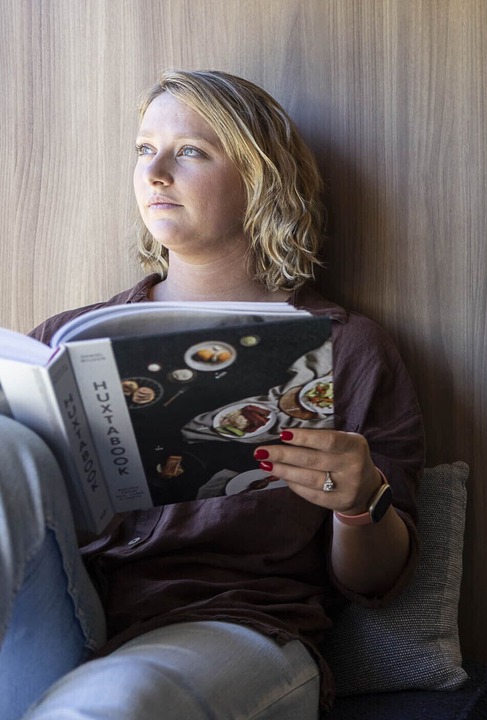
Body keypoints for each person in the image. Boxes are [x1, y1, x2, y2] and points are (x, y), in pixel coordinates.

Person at [0, 69, 425, 719]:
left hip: (233, 628)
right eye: (145, 150)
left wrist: (360, 501)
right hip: (68, 611)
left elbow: (376, 582)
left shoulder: (348, 349)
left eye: (191, 150)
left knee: (112, 703)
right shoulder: (66, 342)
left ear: (263, 181)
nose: (156, 171)